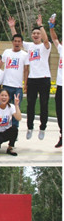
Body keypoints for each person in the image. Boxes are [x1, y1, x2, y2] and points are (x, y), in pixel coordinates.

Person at [9, 15, 51, 140]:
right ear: (32, 36)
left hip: (44, 78)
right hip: (32, 79)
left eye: (38, 33)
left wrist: (41, 25)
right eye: (34, 33)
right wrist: (12, 27)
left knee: (44, 104)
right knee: (30, 104)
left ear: (41, 35)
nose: (36, 35)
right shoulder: (29, 46)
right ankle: (30, 127)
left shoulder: (45, 46)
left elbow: (46, 40)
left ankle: (42, 128)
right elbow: (17, 40)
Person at [1, 30, 29, 126]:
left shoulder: (25, 55)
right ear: (12, 42)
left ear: (21, 43)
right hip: (6, 85)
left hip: (18, 87)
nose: (17, 43)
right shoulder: (6, 52)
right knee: (4, 107)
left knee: (16, 107)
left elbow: (26, 70)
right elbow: (0, 66)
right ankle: (3, 126)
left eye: (19, 41)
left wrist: (25, 84)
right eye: (15, 41)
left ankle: (14, 128)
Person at [49, 16, 62, 148]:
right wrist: (51, 27)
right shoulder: (61, 50)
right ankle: (62, 134)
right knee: (60, 112)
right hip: (60, 86)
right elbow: (54, 38)